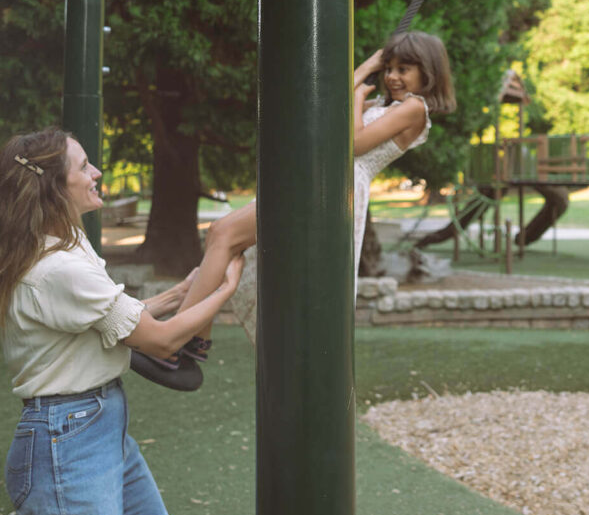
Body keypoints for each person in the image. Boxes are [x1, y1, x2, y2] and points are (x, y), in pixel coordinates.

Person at [0, 128, 244, 515]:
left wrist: (182, 291)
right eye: (83, 165)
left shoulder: (66, 244)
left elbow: (113, 318)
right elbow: (160, 340)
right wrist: (224, 291)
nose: (96, 172)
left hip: (97, 424)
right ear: (55, 186)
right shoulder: (59, 268)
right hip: (68, 440)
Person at [153, 31, 455, 381]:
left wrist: (357, 96)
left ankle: (176, 341)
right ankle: (194, 339)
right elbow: (325, 106)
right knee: (224, 238)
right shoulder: (387, 107)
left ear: (428, 72)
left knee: (224, 234)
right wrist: (366, 68)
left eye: (404, 69)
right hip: (314, 180)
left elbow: (353, 144)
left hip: (333, 185)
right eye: (389, 68)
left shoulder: (415, 109)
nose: (392, 77)